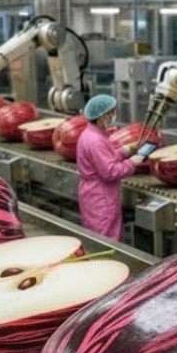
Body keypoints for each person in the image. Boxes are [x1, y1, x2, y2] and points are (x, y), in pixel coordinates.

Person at [74, 94, 142, 242]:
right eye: (111, 113)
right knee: (106, 238)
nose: (113, 116)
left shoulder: (90, 133)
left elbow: (102, 159)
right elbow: (109, 171)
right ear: (101, 116)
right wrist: (132, 163)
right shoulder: (96, 141)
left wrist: (123, 152)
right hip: (101, 196)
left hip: (92, 192)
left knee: (95, 236)